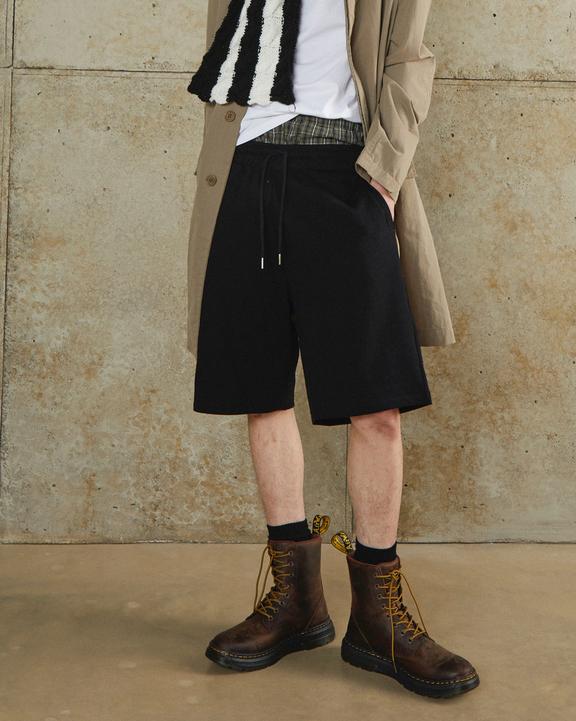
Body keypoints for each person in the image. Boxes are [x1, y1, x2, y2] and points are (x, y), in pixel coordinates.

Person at [186, 0, 478, 698]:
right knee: (260, 389)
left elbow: (408, 56)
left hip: (348, 170)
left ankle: (379, 620)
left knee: (376, 401)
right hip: (246, 167)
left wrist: (385, 169)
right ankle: (296, 603)